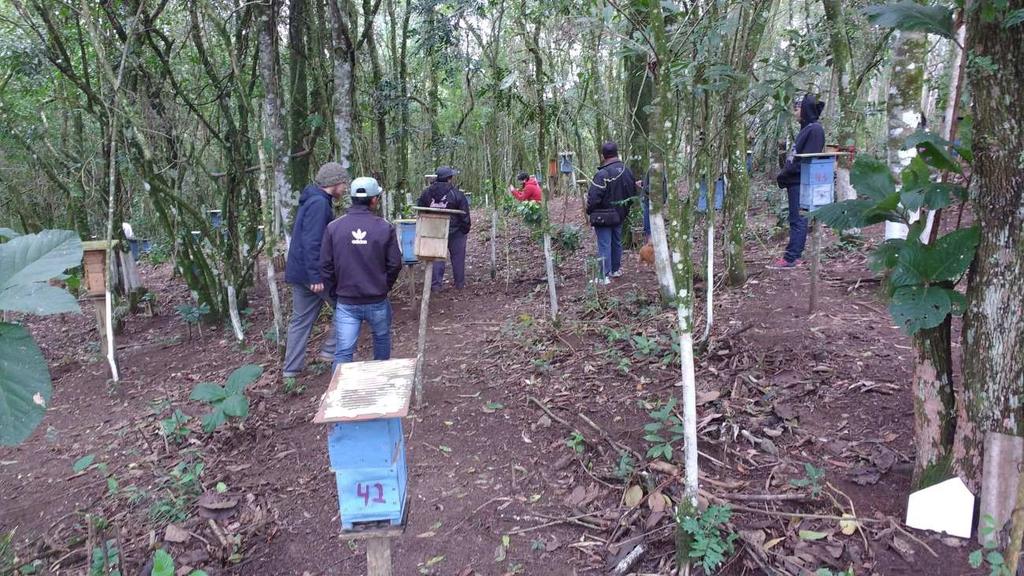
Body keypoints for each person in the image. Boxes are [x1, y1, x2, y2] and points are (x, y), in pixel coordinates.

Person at [320, 176, 403, 364]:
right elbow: (395, 264)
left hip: (346, 302)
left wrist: (335, 292)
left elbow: (325, 265)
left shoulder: (334, 228)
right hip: (377, 299)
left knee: (343, 352)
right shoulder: (384, 227)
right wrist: (383, 285)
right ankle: (379, 384)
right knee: (381, 340)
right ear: (374, 200)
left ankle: (340, 393)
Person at [282, 162, 347, 378]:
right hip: (312, 275)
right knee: (347, 307)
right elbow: (312, 242)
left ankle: (291, 371)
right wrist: (316, 276)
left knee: (300, 321)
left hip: (301, 272)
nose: (345, 188)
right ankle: (329, 351)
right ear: (334, 184)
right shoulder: (319, 204)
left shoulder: (313, 200)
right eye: (343, 183)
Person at [771, 94, 826, 269]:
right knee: (796, 218)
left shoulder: (815, 130)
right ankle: (793, 255)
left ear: (805, 109)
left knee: (798, 219)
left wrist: (787, 173)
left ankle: (791, 257)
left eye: (797, 108)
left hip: (801, 182)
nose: (795, 112)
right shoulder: (807, 128)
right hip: (795, 180)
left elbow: (806, 160)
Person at [585, 141, 636, 284]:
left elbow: (594, 197)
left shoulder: (603, 174)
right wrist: (624, 210)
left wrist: (589, 210)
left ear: (603, 155)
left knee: (604, 244)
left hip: (603, 216)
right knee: (616, 242)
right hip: (620, 214)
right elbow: (632, 193)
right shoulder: (627, 171)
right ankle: (615, 269)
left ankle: (603, 275)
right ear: (617, 152)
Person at [417, 166, 471, 290]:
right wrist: (464, 229)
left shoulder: (426, 193)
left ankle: (436, 285)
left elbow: (420, 210)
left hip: (434, 230)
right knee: (458, 258)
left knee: (436, 257)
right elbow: (465, 214)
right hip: (455, 231)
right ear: (449, 178)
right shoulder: (457, 194)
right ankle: (460, 284)